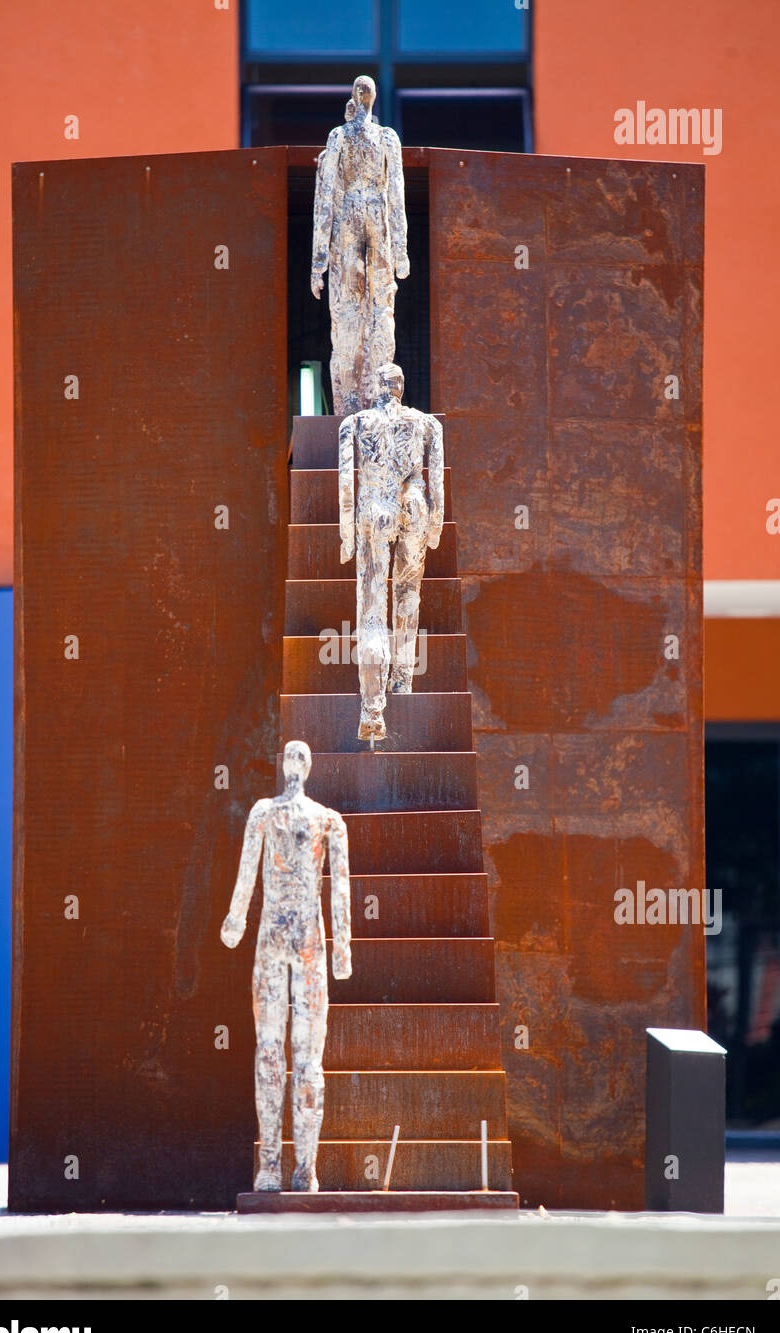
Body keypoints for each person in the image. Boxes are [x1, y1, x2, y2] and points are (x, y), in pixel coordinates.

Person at [220, 740, 352, 1193]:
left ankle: (273, 1166)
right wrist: (342, 950)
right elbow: (340, 893)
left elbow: (245, 878)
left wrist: (235, 921)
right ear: (309, 768)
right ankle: (301, 1170)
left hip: (273, 935)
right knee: (305, 1057)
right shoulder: (329, 820)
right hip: (310, 939)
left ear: (284, 767)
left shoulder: (264, 812)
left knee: (271, 1050)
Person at [338, 363, 444, 741]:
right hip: (414, 508)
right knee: (408, 595)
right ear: (401, 386)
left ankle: (373, 710)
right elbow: (437, 481)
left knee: (371, 608)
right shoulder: (427, 424)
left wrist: (346, 534)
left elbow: (347, 484)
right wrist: (435, 526)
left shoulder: (356, 423)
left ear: (376, 386)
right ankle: (402, 681)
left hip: (373, 510)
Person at [311, 75, 409, 414]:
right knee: (352, 307)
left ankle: (378, 390)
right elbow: (325, 195)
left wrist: (401, 249)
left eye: (365, 89)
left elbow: (396, 192)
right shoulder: (340, 137)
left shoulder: (385, 138)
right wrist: (318, 261)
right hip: (356, 214)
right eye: (360, 89)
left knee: (380, 302)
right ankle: (350, 395)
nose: (363, 94)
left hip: (370, 214)